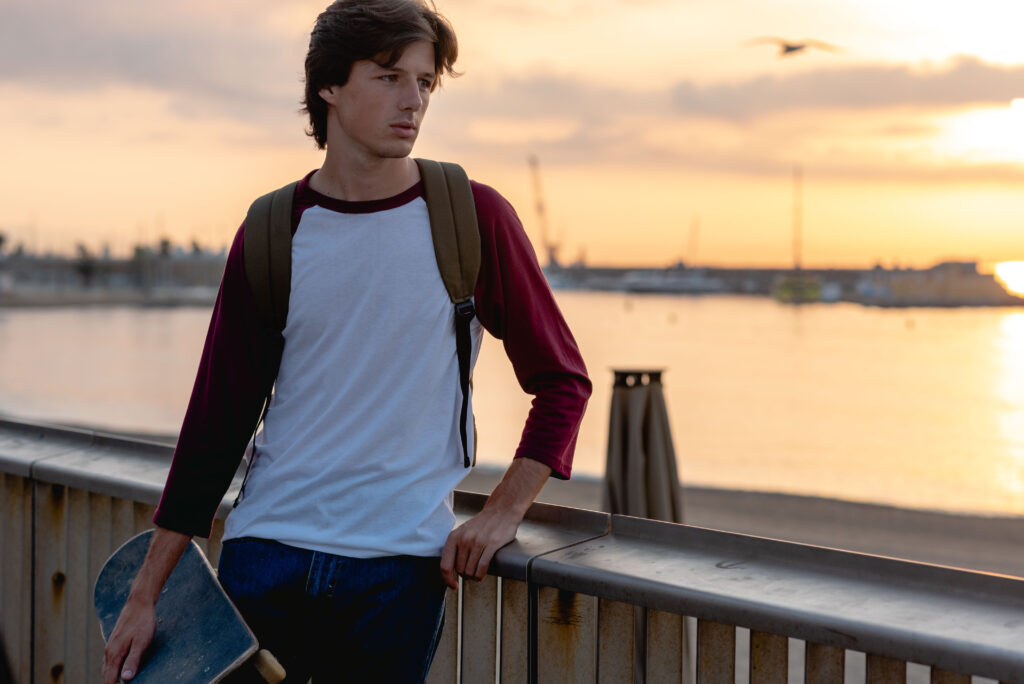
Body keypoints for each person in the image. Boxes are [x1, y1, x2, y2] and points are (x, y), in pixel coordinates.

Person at [102, 1, 590, 682]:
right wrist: (145, 594)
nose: (413, 100)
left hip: (399, 572)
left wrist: (503, 513)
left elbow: (563, 381)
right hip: (264, 558)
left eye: (425, 83)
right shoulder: (273, 229)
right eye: (390, 76)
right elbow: (217, 421)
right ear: (329, 85)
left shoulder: (473, 216)